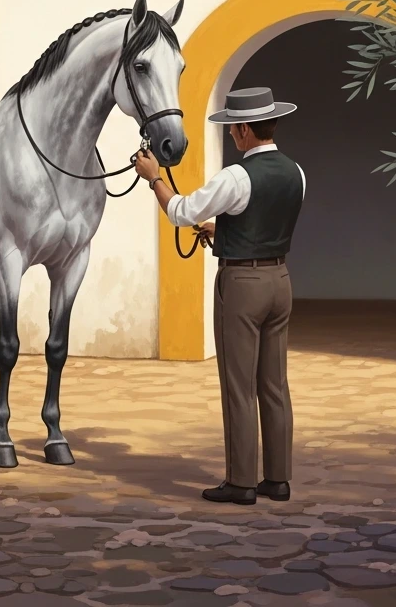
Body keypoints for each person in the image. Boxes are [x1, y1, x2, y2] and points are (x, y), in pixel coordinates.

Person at [133, 86, 305, 506]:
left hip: (243, 285)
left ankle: (241, 481)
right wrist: (224, 231)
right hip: (280, 279)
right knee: (274, 384)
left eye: (233, 127)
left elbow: (181, 211)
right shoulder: (296, 172)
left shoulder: (236, 176)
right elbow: (264, 221)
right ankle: (278, 479)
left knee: (238, 385)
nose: (231, 134)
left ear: (245, 129)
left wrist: (154, 177)